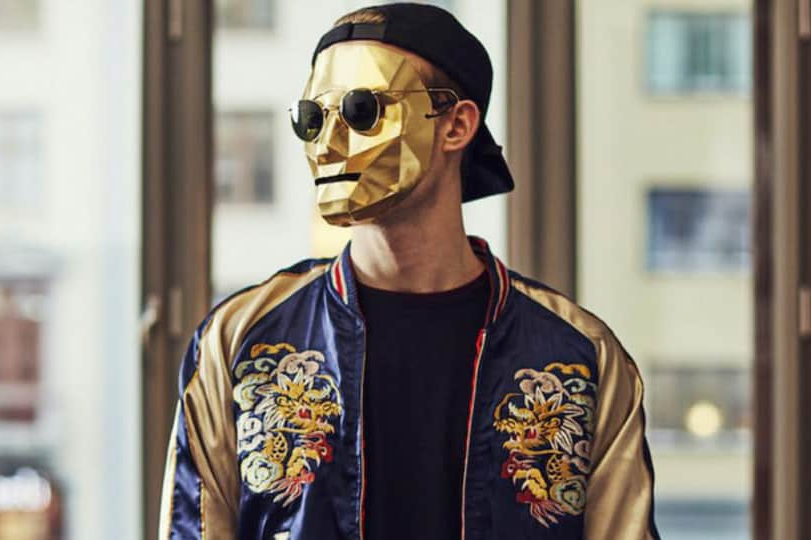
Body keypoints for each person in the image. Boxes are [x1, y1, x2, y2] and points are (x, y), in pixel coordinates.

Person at [158, 4, 659, 539]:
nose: (327, 143)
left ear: (456, 125)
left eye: (362, 110)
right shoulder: (239, 341)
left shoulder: (581, 356)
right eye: (312, 118)